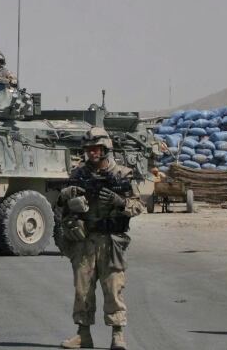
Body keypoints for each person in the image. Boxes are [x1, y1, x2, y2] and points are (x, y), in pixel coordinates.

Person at [57, 127, 144, 350]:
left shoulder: (123, 175)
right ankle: (83, 335)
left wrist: (120, 202)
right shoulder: (78, 175)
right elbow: (62, 207)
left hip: (111, 241)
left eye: (96, 149)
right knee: (82, 289)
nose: (91, 153)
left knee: (114, 287)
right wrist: (67, 198)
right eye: (88, 149)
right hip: (85, 241)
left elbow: (139, 206)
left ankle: (117, 335)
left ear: (105, 149)